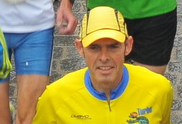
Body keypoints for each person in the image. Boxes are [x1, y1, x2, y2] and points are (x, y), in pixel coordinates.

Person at [33, 7, 174, 124]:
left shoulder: (159, 89)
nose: (104, 57)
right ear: (80, 47)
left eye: (113, 47)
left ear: (128, 45)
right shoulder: (54, 98)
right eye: (94, 48)